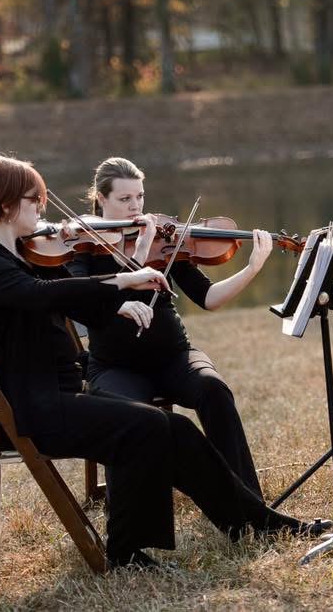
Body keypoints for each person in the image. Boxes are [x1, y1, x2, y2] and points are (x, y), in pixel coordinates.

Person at [0, 153, 329, 570]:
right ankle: (126, 552)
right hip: (29, 410)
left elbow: (78, 296)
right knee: (147, 425)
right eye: (35, 199)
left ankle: (254, 522)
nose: (42, 209)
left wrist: (122, 302)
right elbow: (43, 295)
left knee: (177, 428)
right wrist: (123, 279)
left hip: (56, 399)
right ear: (6, 205)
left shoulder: (23, 258)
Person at [66, 157, 272, 497]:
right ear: (101, 199)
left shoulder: (164, 237)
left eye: (140, 197)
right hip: (115, 366)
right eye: (125, 199)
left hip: (174, 356)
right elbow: (79, 301)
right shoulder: (82, 245)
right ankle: (131, 524)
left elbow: (208, 297)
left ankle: (247, 501)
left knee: (214, 390)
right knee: (125, 414)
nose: (136, 207)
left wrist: (251, 268)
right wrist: (140, 251)